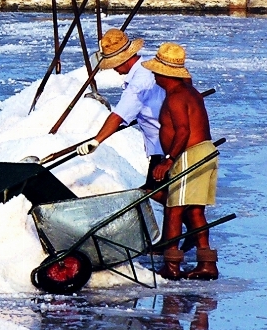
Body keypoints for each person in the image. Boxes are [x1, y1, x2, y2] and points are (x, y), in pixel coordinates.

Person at [145, 43, 220, 280]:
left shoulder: (177, 97)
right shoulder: (189, 91)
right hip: (203, 152)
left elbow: (183, 131)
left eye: (157, 71)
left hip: (190, 155)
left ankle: (172, 264)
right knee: (195, 211)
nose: (154, 75)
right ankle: (207, 263)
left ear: (166, 74)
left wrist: (168, 160)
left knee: (174, 210)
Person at [77, 29, 167, 203]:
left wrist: (96, 141)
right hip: (159, 144)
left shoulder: (138, 82)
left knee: (155, 192)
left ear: (125, 59)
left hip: (165, 144)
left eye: (113, 65)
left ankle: (184, 219)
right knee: (152, 191)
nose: (114, 70)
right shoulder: (146, 67)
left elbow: (118, 115)